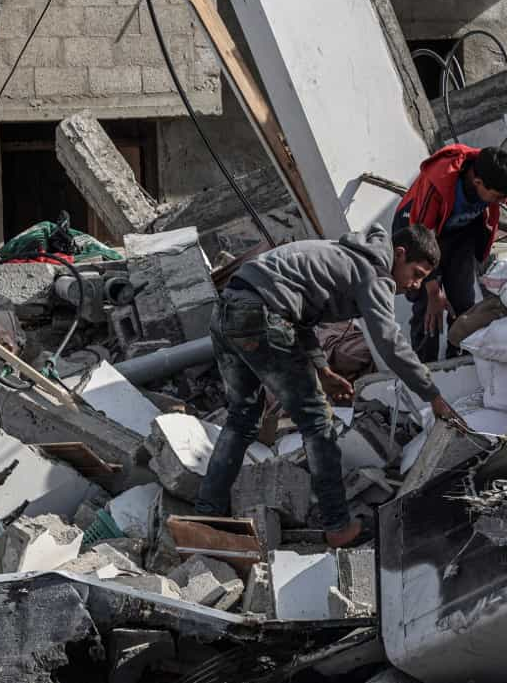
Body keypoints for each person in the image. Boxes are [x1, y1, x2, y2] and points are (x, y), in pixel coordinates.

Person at [194, 223, 461, 548]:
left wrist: (322, 370)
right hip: (259, 314)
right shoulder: (374, 273)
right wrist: (433, 395)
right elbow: (390, 343)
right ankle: (338, 525)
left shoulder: (343, 255)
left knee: (242, 417)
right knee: (318, 423)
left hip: (228, 309)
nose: (415, 285)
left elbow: (298, 313)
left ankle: (206, 515)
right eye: (416, 273)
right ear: (400, 254)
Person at [393, 144, 507, 362]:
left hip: (460, 234)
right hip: (417, 233)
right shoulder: (438, 182)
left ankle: (459, 355)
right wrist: (432, 289)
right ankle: (426, 365)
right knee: (428, 308)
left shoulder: (494, 173)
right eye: (498, 198)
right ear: (477, 182)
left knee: (463, 299)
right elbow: (421, 235)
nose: (501, 203)